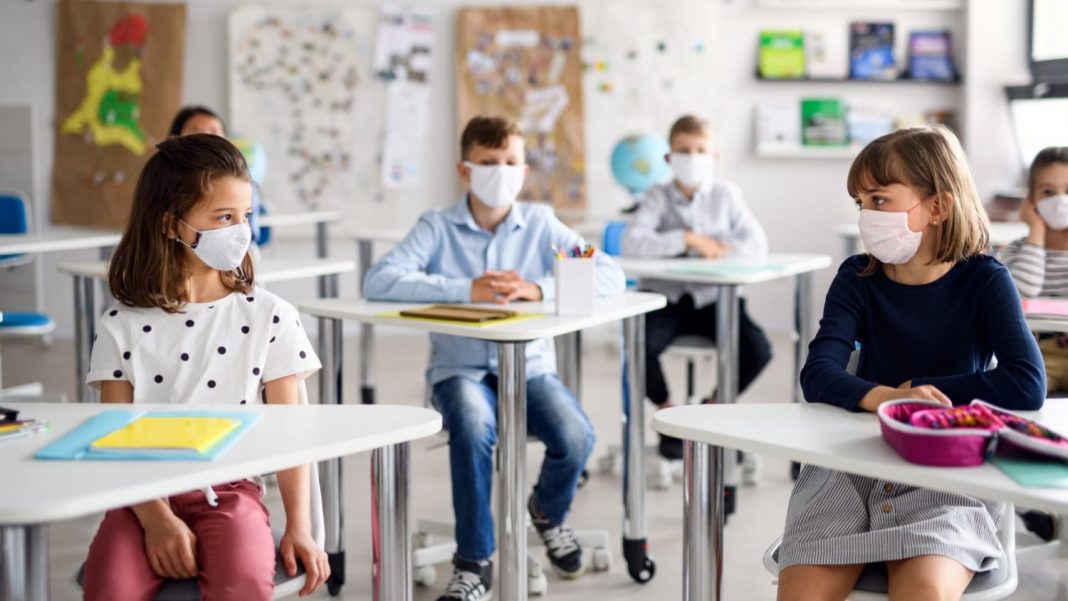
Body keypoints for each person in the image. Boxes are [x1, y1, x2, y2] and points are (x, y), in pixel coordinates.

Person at [363, 116, 626, 601]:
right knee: (472, 424)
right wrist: (466, 289)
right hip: (459, 370)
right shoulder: (437, 227)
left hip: (531, 370)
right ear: (465, 170)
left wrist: (537, 288)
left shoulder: (542, 224)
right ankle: (474, 561)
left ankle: (546, 511)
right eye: (488, 163)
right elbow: (378, 280)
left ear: (524, 171)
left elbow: (609, 273)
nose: (500, 171)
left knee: (576, 435)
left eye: (510, 163)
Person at [778, 125, 1045, 601]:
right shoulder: (857, 277)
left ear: (937, 206)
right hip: (851, 464)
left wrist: (919, 388)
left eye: (879, 200)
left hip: (946, 473)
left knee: (923, 593)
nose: (866, 217)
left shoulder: (986, 280)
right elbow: (818, 374)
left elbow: (1026, 383)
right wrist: (890, 397)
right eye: (861, 203)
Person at [81, 134, 328, 600]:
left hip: (233, 495)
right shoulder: (120, 325)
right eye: (223, 217)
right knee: (107, 588)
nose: (240, 231)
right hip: (141, 495)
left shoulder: (270, 316)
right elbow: (114, 438)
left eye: (245, 216)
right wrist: (158, 521)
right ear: (169, 225)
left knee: (242, 585)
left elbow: (293, 437)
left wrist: (302, 527)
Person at [621, 114, 772, 460]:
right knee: (637, 348)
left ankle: (707, 411)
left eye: (700, 150)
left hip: (713, 301)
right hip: (665, 300)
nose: (692, 157)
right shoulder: (657, 196)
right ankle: (670, 413)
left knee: (757, 349)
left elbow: (756, 244)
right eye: (683, 150)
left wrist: (718, 248)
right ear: (668, 158)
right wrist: (688, 239)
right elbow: (633, 242)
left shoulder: (727, 194)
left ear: (714, 156)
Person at [998, 147, 1068, 392]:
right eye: (1048, 192)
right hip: (1039, 353)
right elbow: (1020, 293)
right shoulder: (1016, 251)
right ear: (1032, 200)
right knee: (1022, 391)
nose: (1060, 200)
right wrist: (1036, 234)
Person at [169, 105, 263, 246]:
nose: (207, 137)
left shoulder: (239, 176)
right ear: (176, 137)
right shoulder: (166, 176)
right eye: (196, 131)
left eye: (214, 131)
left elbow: (252, 229)